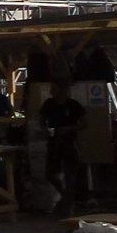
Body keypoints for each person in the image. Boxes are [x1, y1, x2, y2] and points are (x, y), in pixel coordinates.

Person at [40, 84, 88, 214]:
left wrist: (70, 128)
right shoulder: (49, 104)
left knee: (69, 174)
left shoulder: (73, 105)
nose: (52, 92)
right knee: (49, 173)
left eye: (55, 89)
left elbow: (84, 123)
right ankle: (65, 195)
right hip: (53, 141)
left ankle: (69, 203)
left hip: (69, 141)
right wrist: (44, 129)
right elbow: (41, 120)